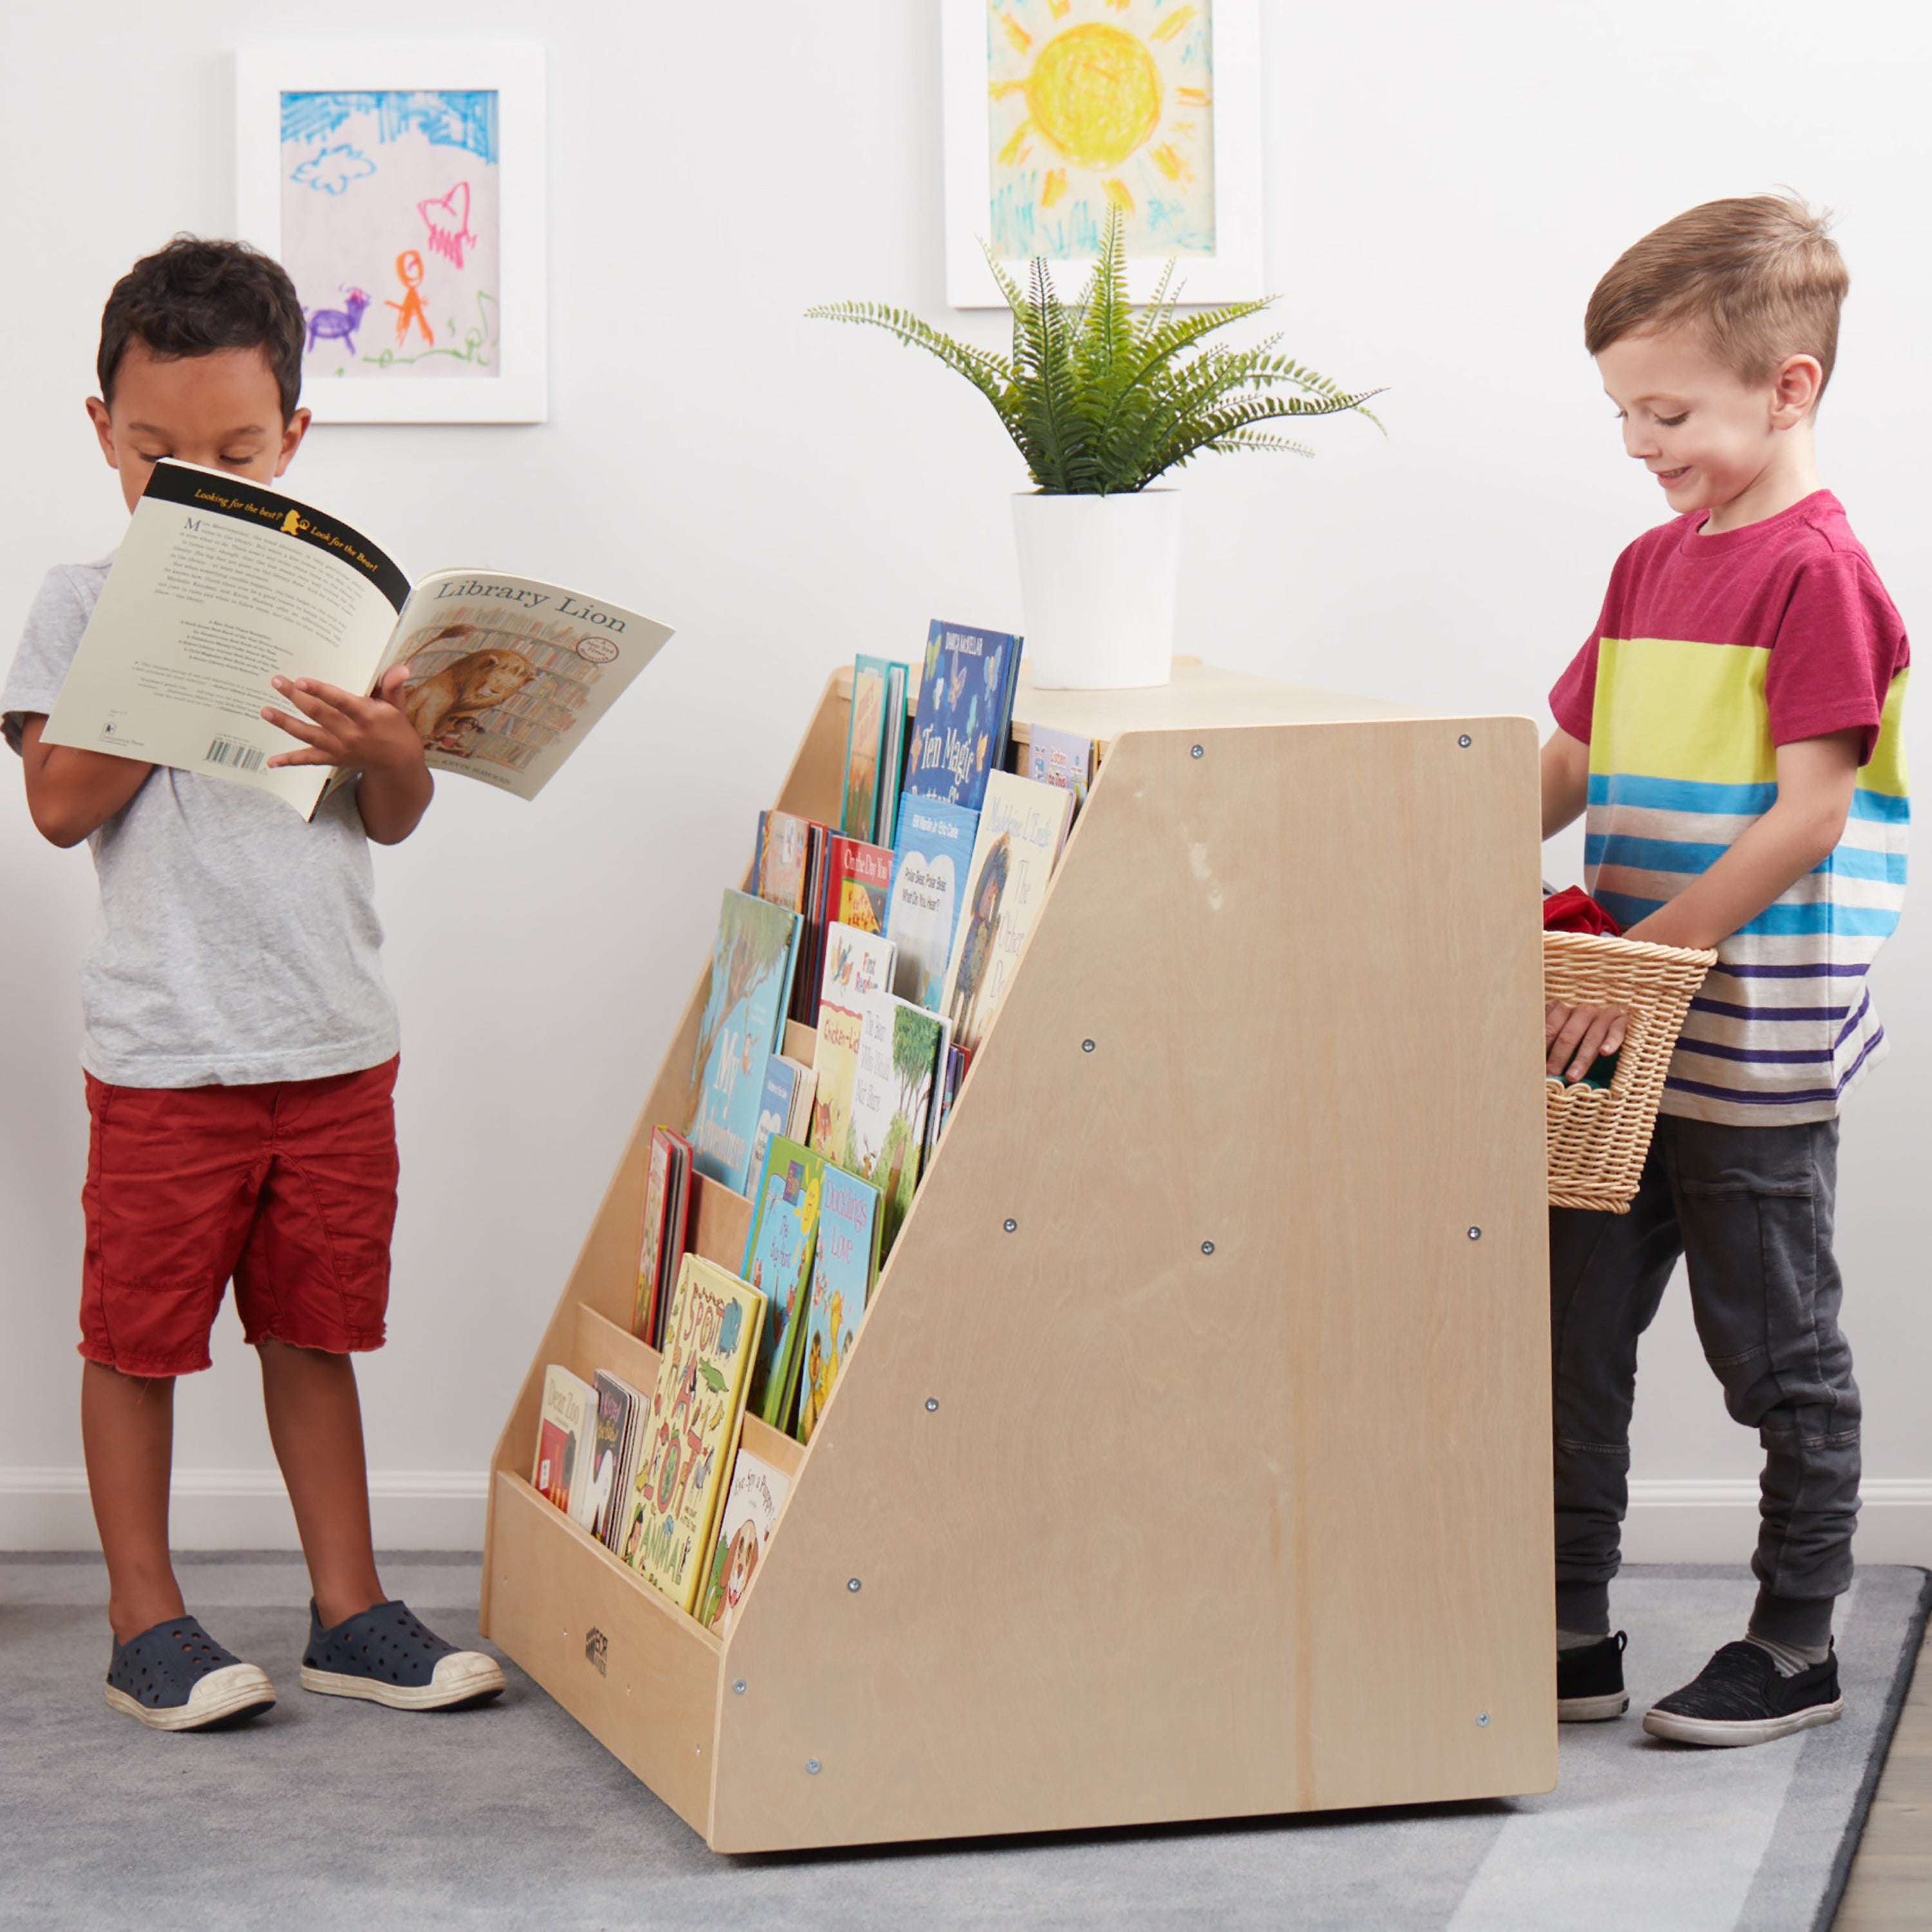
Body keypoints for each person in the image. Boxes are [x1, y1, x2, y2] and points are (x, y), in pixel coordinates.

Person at [2, 236, 506, 1729]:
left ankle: (348, 1609)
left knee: (316, 1330)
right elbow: (58, 805)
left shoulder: (339, 612)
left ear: (291, 437)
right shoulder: (78, 605)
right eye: (158, 456)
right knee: (136, 1340)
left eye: (234, 454)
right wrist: (168, 660)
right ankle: (144, 1619)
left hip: (333, 1041)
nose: (196, 482)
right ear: (102, 432)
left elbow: (391, 819)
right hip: (168, 1052)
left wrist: (393, 749)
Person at [1540, 197, 1908, 1748]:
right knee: (1567, 1329)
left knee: (1776, 1349)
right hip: (1611, 1031)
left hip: (1743, 1033)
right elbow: (1567, 762)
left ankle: (1796, 1638)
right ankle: (1567, 1624)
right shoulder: (1646, 570)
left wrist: (1641, 964)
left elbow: (1811, 814)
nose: (1640, 442)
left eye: (1669, 412)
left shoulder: (1821, 577)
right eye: (1622, 412)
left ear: (1789, 386)